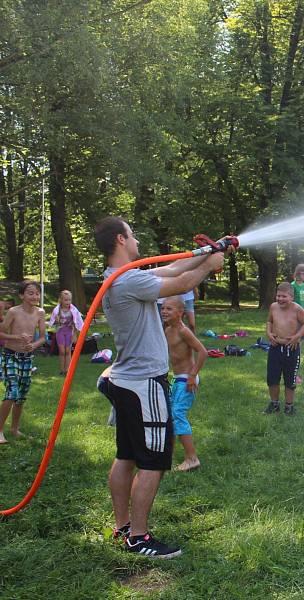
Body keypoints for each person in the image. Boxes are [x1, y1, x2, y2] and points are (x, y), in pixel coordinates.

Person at [94, 216, 226, 558]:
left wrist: (210, 250)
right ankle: (139, 537)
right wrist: (209, 265)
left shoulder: (120, 278)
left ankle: (123, 527)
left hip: (124, 380)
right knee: (153, 460)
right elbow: (181, 281)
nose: (136, 239)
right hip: (143, 384)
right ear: (121, 240)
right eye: (132, 233)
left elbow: (172, 268)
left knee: (126, 455)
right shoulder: (127, 282)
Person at [161, 296, 208, 472]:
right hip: (177, 378)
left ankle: (192, 458)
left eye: (169, 309)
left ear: (180, 312)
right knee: (170, 415)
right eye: (163, 308)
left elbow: (203, 352)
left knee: (177, 414)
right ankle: (168, 455)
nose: (165, 311)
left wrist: (192, 375)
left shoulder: (183, 331)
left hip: (187, 378)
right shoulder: (167, 330)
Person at [0, 281, 47, 444]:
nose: (35, 296)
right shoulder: (13, 311)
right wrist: (16, 338)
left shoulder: (40, 313)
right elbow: (1, 333)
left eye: (37, 293)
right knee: (11, 392)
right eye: (31, 293)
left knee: (21, 395)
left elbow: (42, 337)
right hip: (10, 355)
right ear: (21, 295)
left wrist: (32, 345)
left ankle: (14, 429)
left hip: (26, 358)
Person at [263, 282, 304, 415]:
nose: (280, 299)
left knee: (290, 380)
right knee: (272, 378)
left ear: (291, 297)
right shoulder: (273, 307)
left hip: (291, 348)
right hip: (275, 347)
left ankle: (289, 406)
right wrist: (268, 333)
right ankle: (274, 404)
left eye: (284, 296)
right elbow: (269, 321)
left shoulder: (297, 309)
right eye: (278, 296)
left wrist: (297, 336)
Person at [47, 289, 84, 376]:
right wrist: (56, 321)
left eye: (69, 300)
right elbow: (53, 322)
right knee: (62, 351)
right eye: (66, 300)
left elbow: (76, 322)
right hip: (60, 332)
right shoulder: (57, 310)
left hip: (69, 332)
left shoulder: (73, 310)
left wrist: (74, 334)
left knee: (68, 351)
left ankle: (67, 370)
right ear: (61, 300)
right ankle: (62, 369)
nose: (68, 302)